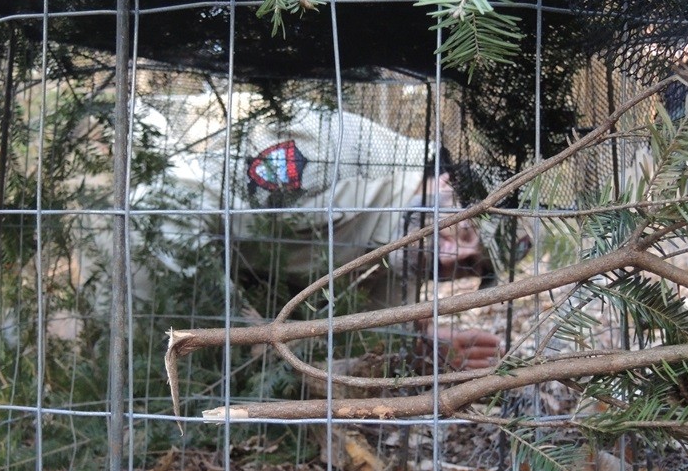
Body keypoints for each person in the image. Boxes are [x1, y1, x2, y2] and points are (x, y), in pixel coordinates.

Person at [147, 99, 505, 371]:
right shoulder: (330, 150)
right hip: (137, 261)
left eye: (469, 267)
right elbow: (162, 209)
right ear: (448, 182)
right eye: (463, 231)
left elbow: (359, 347)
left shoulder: (408, 246)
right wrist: (252, 334)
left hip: (213, 352)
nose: (447, 259)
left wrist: (426, 348)